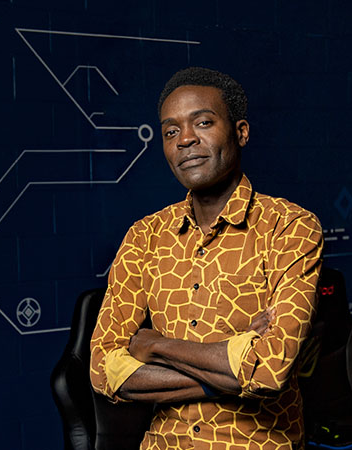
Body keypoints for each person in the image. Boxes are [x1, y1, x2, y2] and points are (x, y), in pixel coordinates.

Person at [89, 67, 323, 449]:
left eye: (203, 122)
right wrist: (233, 362)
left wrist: (154, 346)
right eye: (170, 131)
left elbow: (269, 369)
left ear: (241, 132)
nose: (185, 140)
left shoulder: (290, 227)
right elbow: (103, 369)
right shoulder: (144, 237)